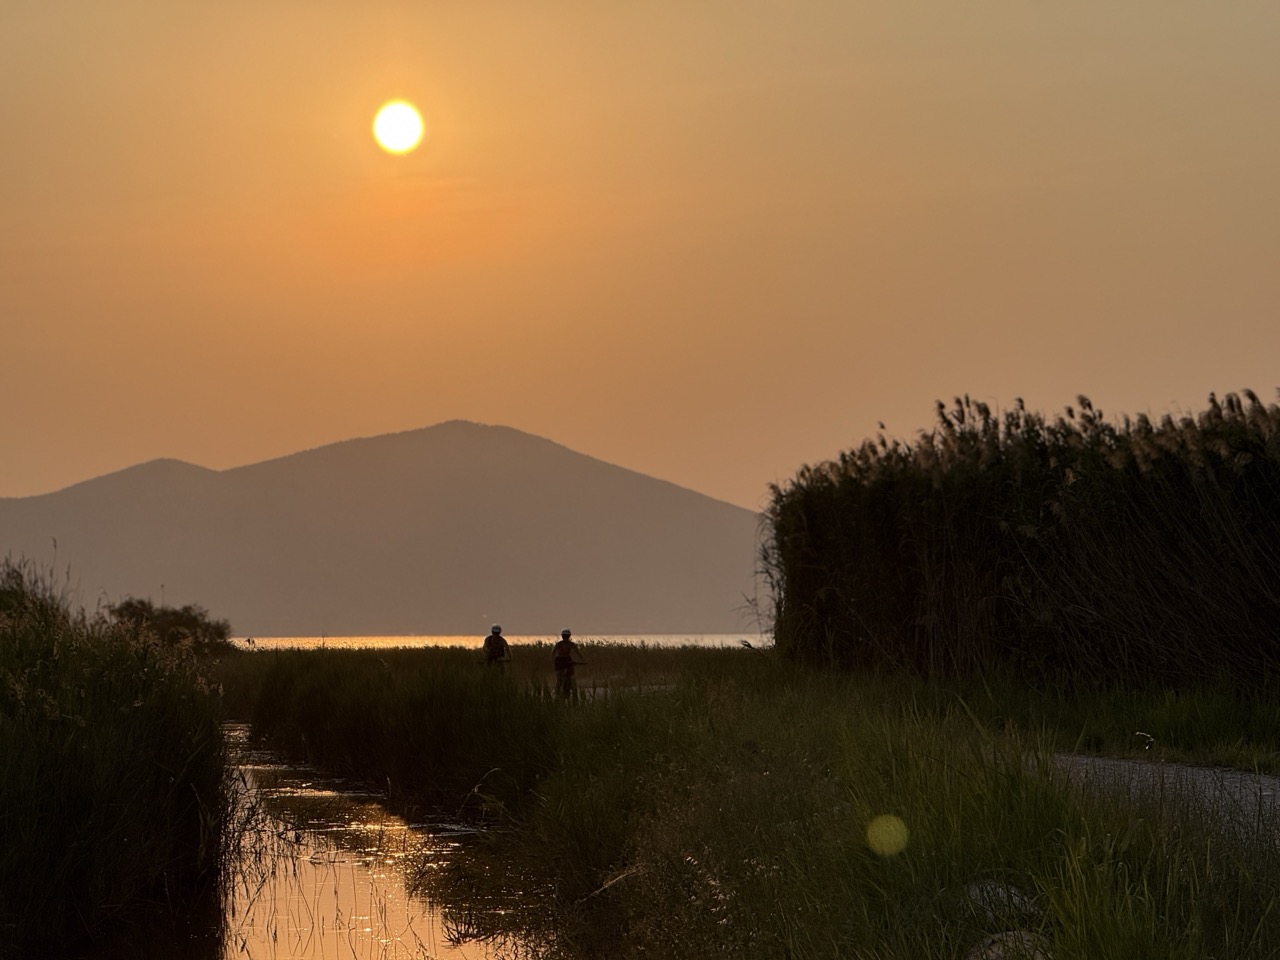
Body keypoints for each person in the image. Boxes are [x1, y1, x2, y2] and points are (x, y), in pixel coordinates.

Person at [552, 628, 582, 701]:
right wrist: (552, 660)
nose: (565, 638)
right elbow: (553, 652)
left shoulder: (571, 644)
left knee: (571, 674)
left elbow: (578, 652)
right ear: (562, 637)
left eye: (567, 636)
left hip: (567, 659)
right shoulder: (559, 644)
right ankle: (557, 691)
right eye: (564, 636)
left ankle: (573, 688)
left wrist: (582, 660)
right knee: (559, 677)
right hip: (559, 660)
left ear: (569, 637)